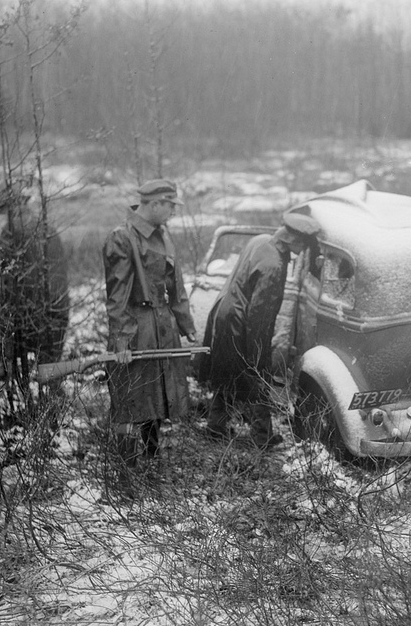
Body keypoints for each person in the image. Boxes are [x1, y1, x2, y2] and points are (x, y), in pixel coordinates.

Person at [102, 179, 198, 491]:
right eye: (170, 206)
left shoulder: (163, 235)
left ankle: (154, 466)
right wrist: (121, 341)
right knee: (132, 404)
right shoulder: (121, 238)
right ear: (154, 203)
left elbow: (176, 285)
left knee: (156, 402)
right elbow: (117, 298)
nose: (172, 212)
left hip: (162, 329)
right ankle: (125, 479)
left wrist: (187, 327)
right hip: (136, 328)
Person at [200, 211, 321, 448]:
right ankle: (261, 438)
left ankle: (215, 427)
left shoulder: (261, 240)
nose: (302, 251)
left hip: (226, 314)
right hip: (241, 322)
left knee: (228, 373)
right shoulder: (274, 266)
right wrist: (260, 352)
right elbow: (259, 316)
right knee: (258, 375)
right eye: (302, 246)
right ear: (293, 240)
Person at [0, 184, 70, 392]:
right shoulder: (47, 228)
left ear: (11, 207)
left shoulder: (13, 229)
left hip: (29, 315)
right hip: (59, 312)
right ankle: (56, 408)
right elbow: (2, 274)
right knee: (50, 376)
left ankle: (8, 365)